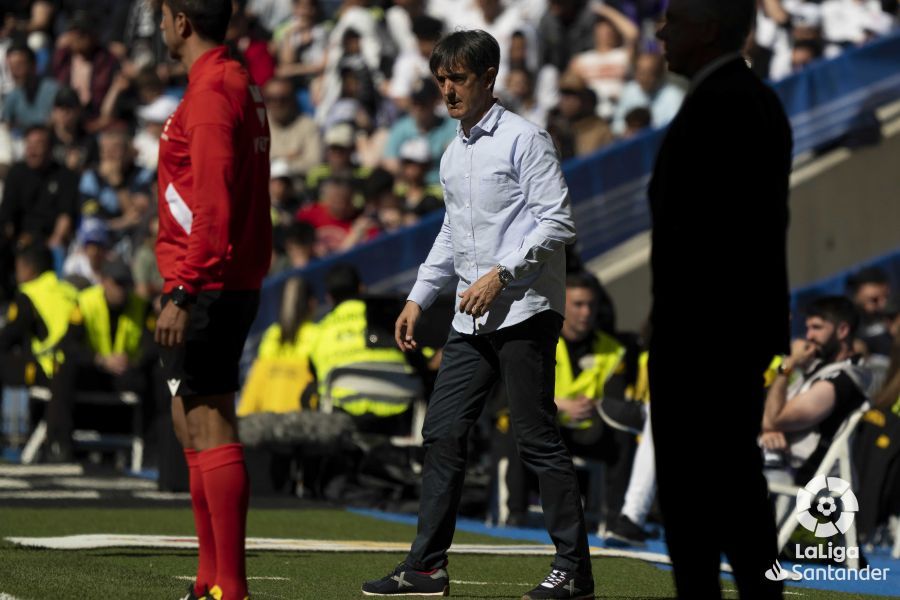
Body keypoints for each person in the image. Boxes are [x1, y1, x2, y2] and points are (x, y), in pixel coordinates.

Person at [362, 30, 593, 599]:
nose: (447, 89)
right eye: (441, 79)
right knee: (441, 433)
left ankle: (576, 571)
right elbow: (452, 232)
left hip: (525, 309)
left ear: (488, 77)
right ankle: (426, 567)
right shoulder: (453, 150)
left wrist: (502, 273)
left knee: (537, 439)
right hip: (471, 317)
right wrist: (419, 296)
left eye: (458, 78)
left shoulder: (524, 138)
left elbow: (558, 221)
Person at [648, 0, 793, 598]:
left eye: (675, 19)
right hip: (726, 334)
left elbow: (713, 235)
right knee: (733, 493)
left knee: (700, 498)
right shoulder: (752, 99)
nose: (661, 31)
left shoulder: (722, 105)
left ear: (707, 30)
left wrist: (679, 321)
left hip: (703, 339)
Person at [152, 1, 273, 599]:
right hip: (222, 276)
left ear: (181, 21)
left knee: (209, 422)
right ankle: (210, 581)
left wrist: (182, 288)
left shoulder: (210, 91)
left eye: (162, 13)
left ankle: (230, 587)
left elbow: (213, 206)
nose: (159, 25)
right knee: (191, 422)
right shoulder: (234, 81)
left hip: (207, 281)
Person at [760, 297, 870, 511]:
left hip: (804, 483)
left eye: (817, 328)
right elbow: (768, 409)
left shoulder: (842, 380)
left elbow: (775, 418)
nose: (809, 336)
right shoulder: (815, 366)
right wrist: (768, 430)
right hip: (777, 463)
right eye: (808, 328)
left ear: (842, 330)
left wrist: (788, 365)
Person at [47, 260, 156, 462]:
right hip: (94, 369)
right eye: (117, 283)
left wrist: (132, 362)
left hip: (124, 372)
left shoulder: (142, 307)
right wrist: (100, 360)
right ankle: (59, 444)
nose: (121, 290)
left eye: (126, 284)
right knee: (65, 369)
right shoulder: (85, 302)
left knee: (155, 375)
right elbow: (69, 345)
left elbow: (152, 348)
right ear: (104, 282)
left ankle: (151, 447)